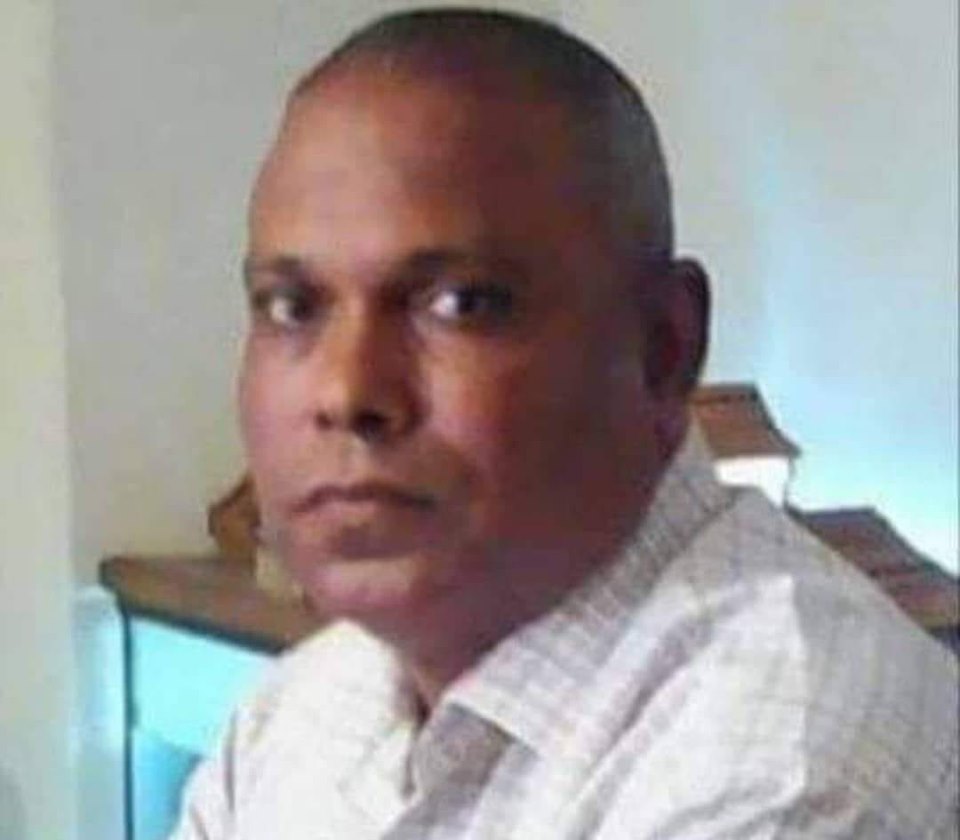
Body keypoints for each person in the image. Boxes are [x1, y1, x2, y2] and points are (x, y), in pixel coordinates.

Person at [171, 8, 958, 839]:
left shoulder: (782, 756)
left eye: (463, 303)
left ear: (663, 350)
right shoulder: (292, 719)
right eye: (291, 307)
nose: (347, 390)